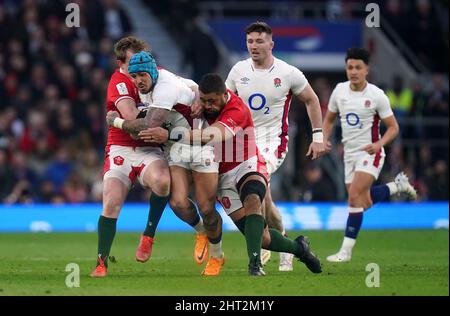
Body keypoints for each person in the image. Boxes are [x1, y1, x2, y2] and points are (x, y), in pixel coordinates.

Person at [140, 73, 322, 276]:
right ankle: (300, 249)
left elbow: (214, 135)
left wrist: (170, 135)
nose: (208, 105)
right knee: (261, 238)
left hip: (247, 163)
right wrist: (195, 95)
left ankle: (255, 265)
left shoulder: (236, 109)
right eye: (204, 100)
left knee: (253, 199)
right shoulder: (201, 102)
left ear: (225, 95)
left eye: (212, 101)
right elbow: (179, 84)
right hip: (222, 176)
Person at [106, 51, 223, 276]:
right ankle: (201, 233)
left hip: (199, 143)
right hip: (175, 147)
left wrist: (116, 121)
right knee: (178, 203)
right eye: (134, 76)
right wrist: (197, 93)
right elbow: (187, 83)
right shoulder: (155, 80)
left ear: (151, 73)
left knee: (207, 207)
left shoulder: (164, 88)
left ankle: (217, 255)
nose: (138, 80)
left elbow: (147, 126)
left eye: (142, 75)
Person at [224, 21, 325, 271]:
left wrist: (318, 136)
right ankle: (285, 244)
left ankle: (261, 254)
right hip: (241, 145)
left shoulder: (288, 73)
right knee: (265, 203)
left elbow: (312, 100)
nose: (254, 46)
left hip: (272, 144)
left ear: (271, 44)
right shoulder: (238, 70)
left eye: (259, 41)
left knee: (255, 195)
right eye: (250, 42)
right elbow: (224, 102)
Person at [322, 47, 417, 263]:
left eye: (358, 67)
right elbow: (328, 119)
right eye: (349, 67)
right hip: (349, 155)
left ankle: (345, 252)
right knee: (361, 202)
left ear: (367, 70)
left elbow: (393, 127)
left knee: (354, 196)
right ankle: (397, 186)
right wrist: (323, 139)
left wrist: (379, 143)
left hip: (370, 153)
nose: (353, 71)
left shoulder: (376, 95)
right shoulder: (339, 91)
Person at [90, 37, 171, 278]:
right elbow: (132, 118)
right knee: (112, 203)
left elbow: (186, 89)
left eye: (142, 60)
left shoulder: (160, 75)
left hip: (150, 148)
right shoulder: (119, 82)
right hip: (121, 148)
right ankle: (101, 262)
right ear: (120, 63)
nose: (139, 67)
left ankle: (148, 235)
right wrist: (160, 114)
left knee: (163, 182)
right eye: (133, 62)